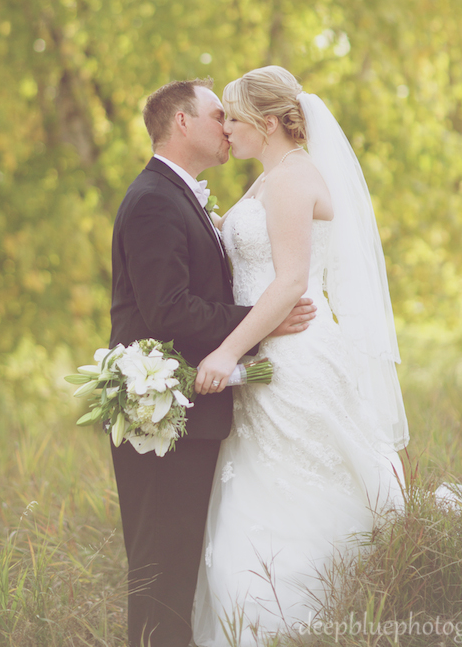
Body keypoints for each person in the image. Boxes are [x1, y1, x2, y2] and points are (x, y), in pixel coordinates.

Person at [191, 66, 410, 647]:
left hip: (293, 359)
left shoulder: (291, 181)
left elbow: (290, 283)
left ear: (266, 124)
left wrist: (226, 351)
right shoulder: (269, 180)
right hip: (269, 360)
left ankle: (306, 619)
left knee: (303, 487)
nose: (225, 129)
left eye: (233, 118)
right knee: (260, 488)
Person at [109, 78, 317, 647]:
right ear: (182, 123)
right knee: (161, 573)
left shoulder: (179, 195)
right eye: (216, 115)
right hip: (163, 418)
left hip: (186, 415)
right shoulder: (154, 199)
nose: (226, 126)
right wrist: (261, 320)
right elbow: (168, 310)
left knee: (178, 572)